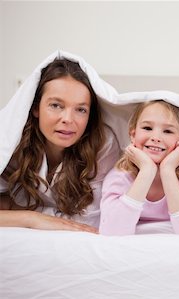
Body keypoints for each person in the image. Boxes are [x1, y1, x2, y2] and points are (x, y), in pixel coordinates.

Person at [0, 58, 120, 232]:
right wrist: (31, 218)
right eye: (56, 105)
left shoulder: (103, 145)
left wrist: (13, 210)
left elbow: (90, 219)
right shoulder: (11, 142)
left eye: (80, 109)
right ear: (35, 108)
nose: (68, 119)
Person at [99, 100, 179, 235]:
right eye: (147, 128)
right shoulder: (120, 175)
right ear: (133, 135)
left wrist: (168, 171)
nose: (156, 137)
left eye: (168, 131)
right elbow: (111, 232)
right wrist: (146, 172)